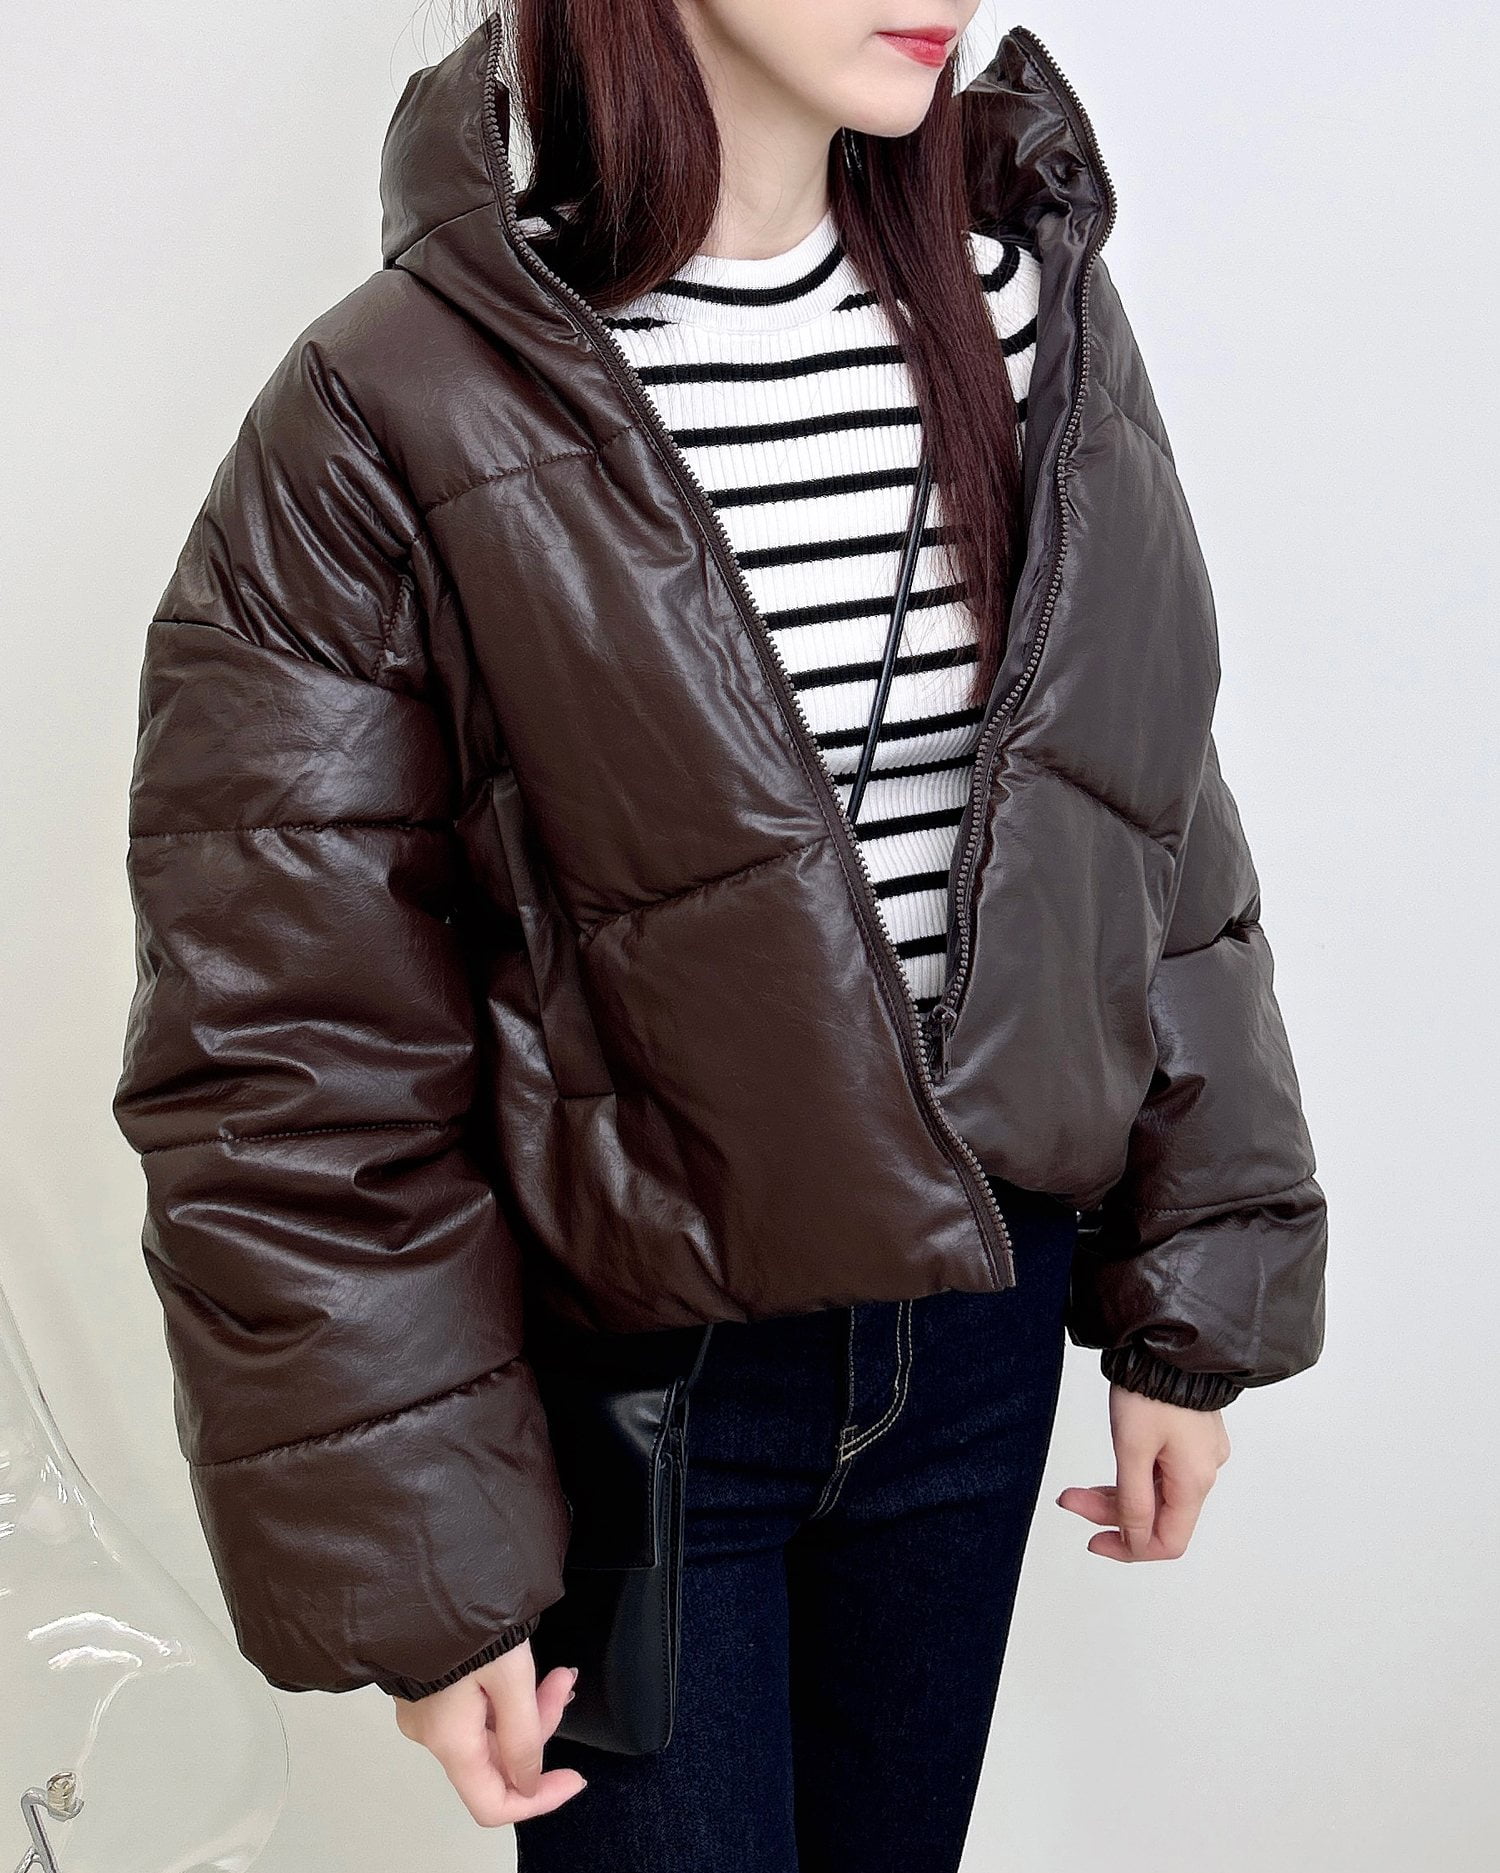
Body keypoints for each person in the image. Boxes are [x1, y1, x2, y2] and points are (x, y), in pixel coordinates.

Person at [111, 3, 1328, 1868]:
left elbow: (1146, 819)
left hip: (983, 1328)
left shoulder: (1026, 321)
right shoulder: (397, 403)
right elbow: (288, 1031)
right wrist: (428, 1549)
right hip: (649, 1393)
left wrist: (1191, 1301)